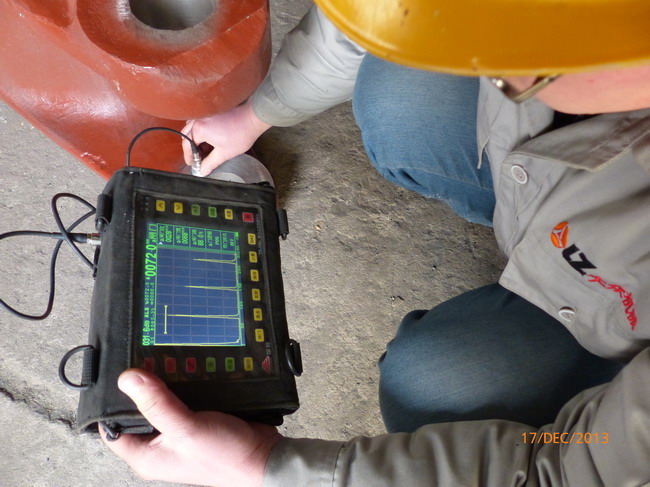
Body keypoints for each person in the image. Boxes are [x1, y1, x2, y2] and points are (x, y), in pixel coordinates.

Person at [103, 1, 650, 485]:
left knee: (430, 389)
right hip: (573, 195)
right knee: (400, 90)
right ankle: (537, 224)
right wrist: (253, 116)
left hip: (621, 330)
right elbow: (376, 14)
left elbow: (575, 473)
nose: (477, 60)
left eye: (513, 54)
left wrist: (264, 466)